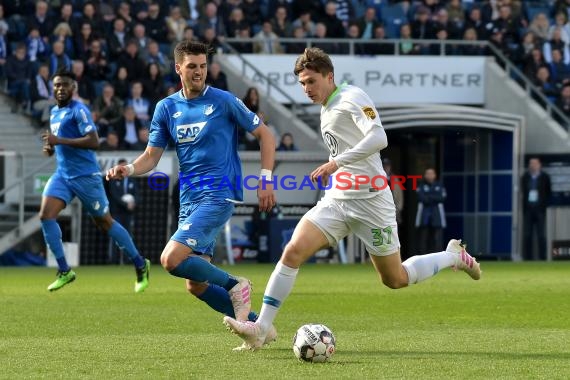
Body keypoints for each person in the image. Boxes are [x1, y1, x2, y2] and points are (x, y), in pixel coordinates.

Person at [223, 47, 481, 350]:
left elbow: (379, 138)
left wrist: (336, 163)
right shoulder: (326, 106)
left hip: (372, 202)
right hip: (338, 200)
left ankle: (453, 256)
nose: (307, 89)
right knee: (292, 251)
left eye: (311, 81)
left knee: (394, 279)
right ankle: (260, 329)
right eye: (302, 83)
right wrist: (337, 166)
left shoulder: (352, 98)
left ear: (329, 76)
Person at [105, 41, 278, 340]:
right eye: (192, 67)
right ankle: (258, 327)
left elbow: (265, 134)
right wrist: (129, 169)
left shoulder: (224, 101)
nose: (199, 72)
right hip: (189, 200)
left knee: (170, 259)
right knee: (195, 284)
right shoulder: (166, 108)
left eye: (202, 66)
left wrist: (265, 179)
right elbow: (152, 156)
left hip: (218, 194)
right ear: (178, 68)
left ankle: (236, 284)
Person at [40, 69, 150, 292]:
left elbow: (94, 141)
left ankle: (140, 264)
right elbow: (58, 143)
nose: (60, 89)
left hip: (86, 176)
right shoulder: (53, 112)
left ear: (74, 88)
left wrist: (58, 139)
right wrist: (51, 147)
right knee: (46, 215)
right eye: (57, 85)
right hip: (63, 174)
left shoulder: (79, 110)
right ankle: (64, 270)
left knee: (105, 222)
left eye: (65, 85)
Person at [521, 157, 551, 260]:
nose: (532, 165)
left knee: (541, 235)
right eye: (530, 164)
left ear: (539, 165)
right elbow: (523, 192)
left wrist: (543, 204)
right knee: (527, 235)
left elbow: (548, 192)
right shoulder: (525, 177)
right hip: (528, 210)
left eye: (534, 163)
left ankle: (542, 258)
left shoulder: (545, 177)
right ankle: (527, 258)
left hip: (540, 210)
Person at [415, 168, 447, 253]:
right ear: (425, 175)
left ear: (435, 175)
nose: (429, 175)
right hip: (424, 214)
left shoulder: (439, 185)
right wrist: (434, 196)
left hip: (436, 214)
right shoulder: (421, 185)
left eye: (431, 173)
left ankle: (438, 258)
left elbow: (442, 198)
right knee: (423, 237)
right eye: (427, 173)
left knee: (437, 238)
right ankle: (422, 257)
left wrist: (429, 196)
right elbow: (421, 198)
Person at [382, 158, 403, 225]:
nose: (386, 168)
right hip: (380, 208)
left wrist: (398, 208)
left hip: (392, 208)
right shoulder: (375, 178)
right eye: (384, 166)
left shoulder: (395, 179)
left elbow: (400, 195)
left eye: (387, 166)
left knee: (392, 230)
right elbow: (371, 191)